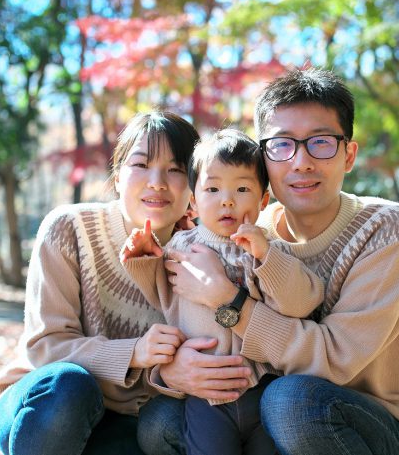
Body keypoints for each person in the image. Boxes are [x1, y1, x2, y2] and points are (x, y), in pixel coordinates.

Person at [137, 68, 399, 455]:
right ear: (263, 159)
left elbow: (334, 360)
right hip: (275, 416)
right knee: (163, 421)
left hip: (397, 431)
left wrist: (228, 300)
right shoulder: (250, 231)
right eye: (282, 145)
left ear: (349, 154)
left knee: (291, 402)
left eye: (321, 143)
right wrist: (178, 370)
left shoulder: (389, 227)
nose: (301, 162)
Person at [0, 111, 200, 455]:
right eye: (141, 164)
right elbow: (46, 348)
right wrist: (135, 353)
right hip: (45, 403)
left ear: (195, 185)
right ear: (117, 176)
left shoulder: (202, 257)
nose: (157, 181)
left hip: (129, 420)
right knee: (70, 387)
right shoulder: (69, 229)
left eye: (176, 169)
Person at [121, 129, 324, 455]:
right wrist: (143, 258)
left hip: (261, 385)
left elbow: (303, 302)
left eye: (242, 188)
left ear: (262, 201)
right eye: (212, 188)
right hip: (207, 393)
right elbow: (162, 296)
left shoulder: (267, 248)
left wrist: (266, 256)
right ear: (194, 200)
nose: (227, 200)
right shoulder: (180, 246)